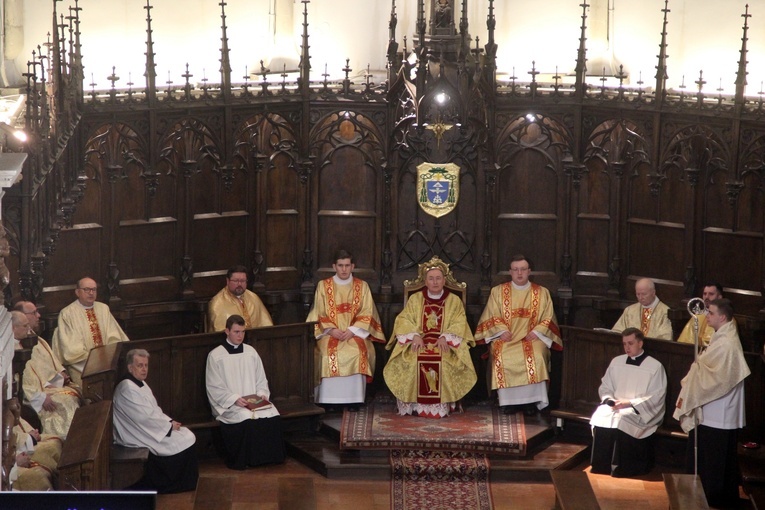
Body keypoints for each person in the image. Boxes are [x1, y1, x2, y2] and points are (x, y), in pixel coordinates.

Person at [673, 298, 750, 508]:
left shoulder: (727, 343)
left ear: (722, 317)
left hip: (719, 412)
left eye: (711, 313)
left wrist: (697, 369)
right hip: (714, 411)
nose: (707, 316)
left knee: (715, 459)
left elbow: (718, 376)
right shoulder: (721, 336)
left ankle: (712, 496)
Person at [383, 256, 476, 418]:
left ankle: (444, 405)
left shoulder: (454, 301)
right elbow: (404, 319)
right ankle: (412, 405)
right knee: (411, 359)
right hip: (419, 342)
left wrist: (445, 337)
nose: (435, 282)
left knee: (446, 359)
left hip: (443, 343)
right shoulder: (415, 299)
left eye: (438, 278)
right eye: (431, 279)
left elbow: (460, 322)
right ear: (425, 281)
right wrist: (414, 336)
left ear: (444, 280)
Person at [474, 255, 563, 415]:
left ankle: (531, 402)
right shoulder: (498, 292)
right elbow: (492, 314)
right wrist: (501, 331)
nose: (519, 273)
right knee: (502, 354)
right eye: (515, 270)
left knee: (536, 355)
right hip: (506, 337)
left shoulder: (542, 292)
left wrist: (536, 332)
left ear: (529, 271)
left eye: (523, 269)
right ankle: (507, 402)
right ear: (510, 272)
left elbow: (548, 317)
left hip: (533, 337)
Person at [306, 250, 386, 409]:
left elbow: (368, 312)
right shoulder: (323, 286)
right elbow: (318, 312)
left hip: (355, 333)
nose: (344, 269)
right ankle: (327, 400)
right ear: (334, 266)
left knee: (358, 351)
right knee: (326, 353)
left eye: (347, 266)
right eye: (340, 266)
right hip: (329, 334)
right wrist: (330, 330)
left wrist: (353, 330)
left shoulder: (362, 286)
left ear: (352, 266)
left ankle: (355, 399)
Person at [113, 349, 198, 493]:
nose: (144, 369)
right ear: (130, 367)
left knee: (186, 434)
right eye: (140, 365)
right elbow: (143, 417)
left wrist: (170, 422)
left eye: (146, 365)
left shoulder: (140, 383)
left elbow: (154, 410)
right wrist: (168, 427)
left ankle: (185, 482)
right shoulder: (127, 388)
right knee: (183, 439)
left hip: (148, 428)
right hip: (135, 433)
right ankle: (173, 484)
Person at [206, 314, 285, 469]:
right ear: (227, 331)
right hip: (231, 404)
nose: (240, 336)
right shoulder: (216, 356)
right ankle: (247, 460)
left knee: (272, 414)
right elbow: (214, 386)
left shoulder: (251, 352)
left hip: (253, 401)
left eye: (243, 332)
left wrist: (262, 394)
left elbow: (261, 379)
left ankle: (269, 459)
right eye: (236, 332)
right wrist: (234, 399)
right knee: (245, 417)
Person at [589, 328, 667, 477]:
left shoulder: (655, 366)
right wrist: (609, 400)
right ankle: (601, 465)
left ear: (640, 343)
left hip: (638, 410)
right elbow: (605, 385)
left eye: (630, 343)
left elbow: (657, 396)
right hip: (616, 405)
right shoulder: (616, 361)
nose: (627, 347)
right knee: (601, 414)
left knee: (621, 419)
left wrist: (630, 403)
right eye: (624, 344)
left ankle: (622, 467)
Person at [51, 277, 130, 386]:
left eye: (94, 289)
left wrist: (108, 358)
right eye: (87, 289)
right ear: (77, 292)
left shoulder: (103, 309)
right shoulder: (67, 313)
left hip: (107, 364)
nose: (91, 293)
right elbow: (71, 350)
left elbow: (114, 337)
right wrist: (95, 363)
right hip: (81, 366)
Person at [22, 335, 82, 437]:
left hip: (48, 387)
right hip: (34, 394)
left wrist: (59, 375)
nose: (38, 317)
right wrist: (40, 398)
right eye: (24, 325)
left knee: (75, 394)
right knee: (65, 405)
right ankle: (68, 445)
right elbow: (19, 383)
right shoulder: (13, 351)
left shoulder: (36, 339)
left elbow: (46, 366)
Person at [207, 265, 273, 332]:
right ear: (228, 281)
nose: (239, 284)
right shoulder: (217, 304)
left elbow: (267, 326)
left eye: (242, 281)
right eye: (236, 281)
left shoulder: (253, 297)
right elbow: (219, 333)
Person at [9, 418, 63, 491]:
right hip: (7, 467)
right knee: (37, 476)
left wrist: (28, 435)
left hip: (12, 450)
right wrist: (13, 462)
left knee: (55, 442)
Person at [676, 283, 734, 347]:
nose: (706, 297)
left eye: (711, 294)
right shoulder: (697, 317)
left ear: (719, 297)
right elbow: (685, 341)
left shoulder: (727, 319)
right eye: (704, 294)